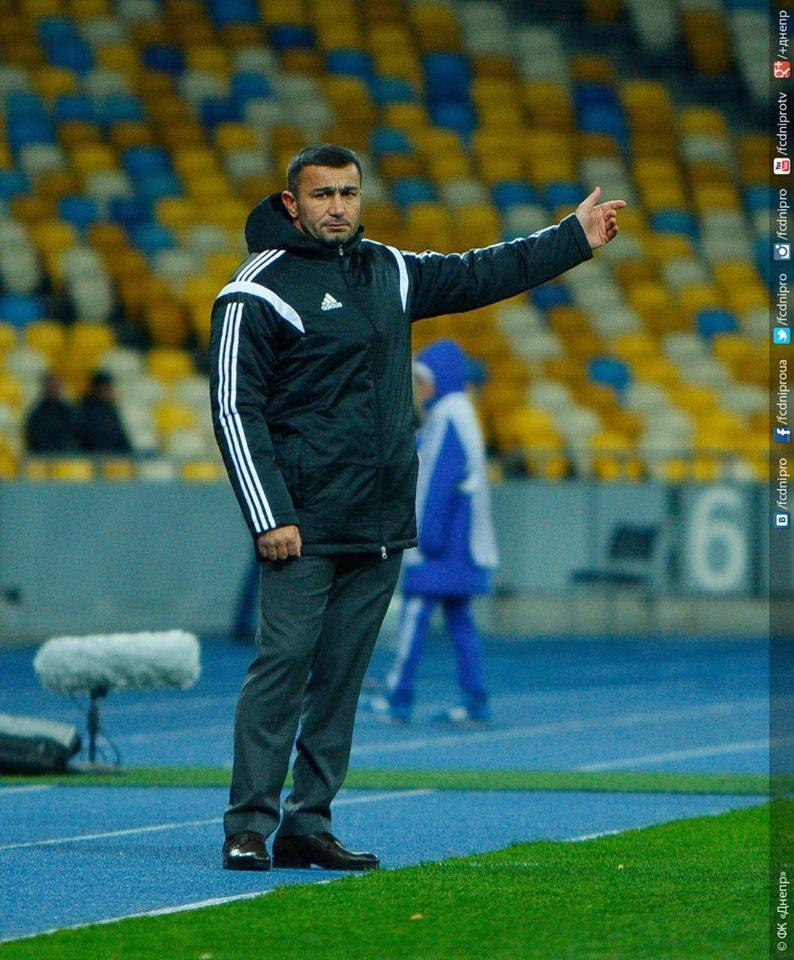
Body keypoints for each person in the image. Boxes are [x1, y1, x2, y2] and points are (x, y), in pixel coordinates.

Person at [209, 142, 625, 873]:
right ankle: (248, 825)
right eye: (322, 195)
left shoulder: (389, 270)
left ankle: (308, 823)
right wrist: (269, 514)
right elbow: (232, 407)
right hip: (302, 524)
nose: (338, 207)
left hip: (377, 522)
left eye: (348, 192)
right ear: (291, 204)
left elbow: (480, 271)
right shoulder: (256, 290)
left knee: (342, 677)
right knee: (282, 668)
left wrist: (572, 240)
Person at [369, 340, 497, 725]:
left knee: (415, 615)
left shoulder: (447, 415)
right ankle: (474, 700)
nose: (421, 389)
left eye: (425, 381)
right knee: (460, 620)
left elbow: (439, 482)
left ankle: (398, 696)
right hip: (461, 541)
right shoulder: (461, 413)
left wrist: (426, 537)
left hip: (444, 542)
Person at [76, 370, 132, 454]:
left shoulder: (110, 409)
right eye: (107, 388)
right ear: (97, 389)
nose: (111, 392)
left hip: (115, 456)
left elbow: (121, 439)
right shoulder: (85, 411)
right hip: (96, 457)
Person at [24, 372, 81, 454]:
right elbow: (33, 438)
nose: (53, 388)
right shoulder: (37, 414)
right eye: (51, 385)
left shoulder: (68, 411)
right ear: (44, 387)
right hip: (43, 455)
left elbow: (75, 434)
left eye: (56, 385)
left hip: (66, 454)